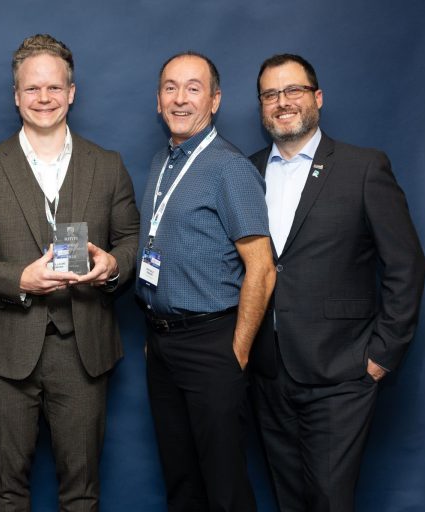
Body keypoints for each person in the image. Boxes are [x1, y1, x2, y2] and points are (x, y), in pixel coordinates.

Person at [0, 34, 139, 511]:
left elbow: (132, 241)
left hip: (84, 350)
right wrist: (20, 280)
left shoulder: (108, 166)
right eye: (32, 88)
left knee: (82, 492)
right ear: (16, 96)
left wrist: (112, 265)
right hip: (7, 350)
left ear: (71, 93)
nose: (44, 98)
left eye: (54, 87)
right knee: (7, 491)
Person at [248, 53, 425, 512]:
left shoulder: (363, 167)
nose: (282, 102)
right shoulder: (246, 172)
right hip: (269, 373)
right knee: (288, 500)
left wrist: (380, 356)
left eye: (293, 90)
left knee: (330, 501)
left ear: (318, 97)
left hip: (341, 372)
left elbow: (406, 265)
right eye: (270, 94)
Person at [136, 52, 276, 512]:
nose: (180, 99)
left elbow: (262, 267)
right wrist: (157, 329)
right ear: (158, 100)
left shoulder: (229, 167)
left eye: (193, 88)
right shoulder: (162, 162)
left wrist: (237, 352)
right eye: (170, 88)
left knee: (224, 487)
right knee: (182, 481)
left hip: (212, 345)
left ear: (214, 101)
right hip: (163, 343)